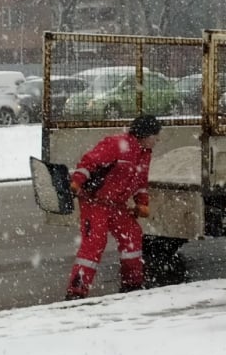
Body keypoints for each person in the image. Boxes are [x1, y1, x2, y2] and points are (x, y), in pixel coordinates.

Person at [64, 114, 162, 300]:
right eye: (156, 136)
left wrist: (142, 203)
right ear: (146, 135)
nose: (157, 140)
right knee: (94, 245)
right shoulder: (117, 144)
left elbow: (141, 181)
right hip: (95, 203)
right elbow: (89, 163)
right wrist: (76, 182)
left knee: (132, 236)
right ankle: (76, 291)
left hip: (117, 205)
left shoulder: (144, 154)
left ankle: (132, 283)